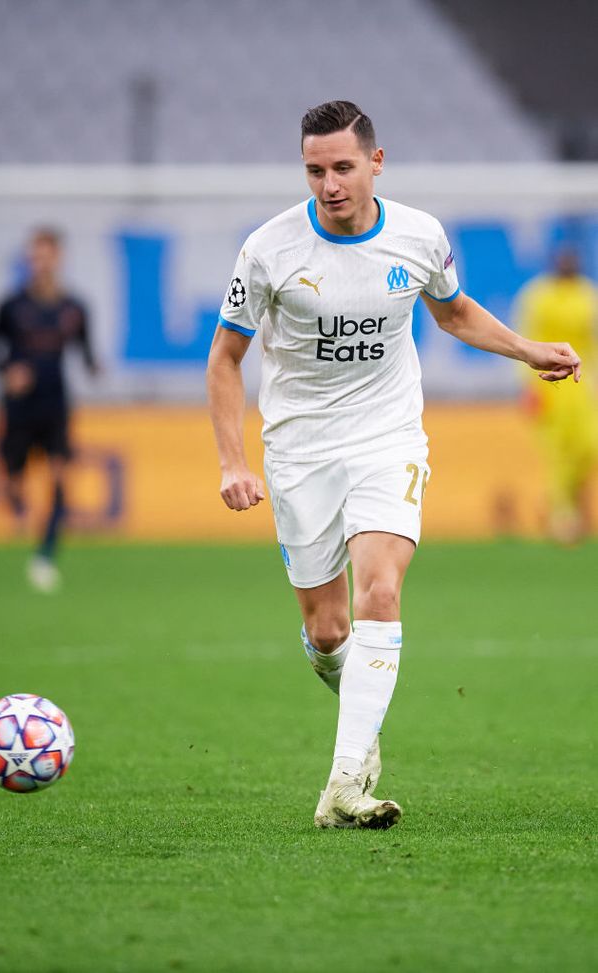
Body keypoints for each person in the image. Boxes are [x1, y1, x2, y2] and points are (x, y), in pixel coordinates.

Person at [206, 101, 581, 830]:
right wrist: (232, 461)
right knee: (326, 628)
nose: (329, 184)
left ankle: (345, 784)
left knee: (381, 588)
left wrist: (530, 350)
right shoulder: (269, 249)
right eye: (315, 170)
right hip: (299, 446)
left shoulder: (418, 236)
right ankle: (361, 720)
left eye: (343, 167)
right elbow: (225, 358)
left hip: (387, 436)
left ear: (376, 163)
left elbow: (454, 311)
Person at [0, 228, 99, 591]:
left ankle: (45, 556)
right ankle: (21, 508)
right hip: (17, 410)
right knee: (12, 488)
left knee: (61, 478)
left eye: (46, 255)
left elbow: (84, 349)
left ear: (58, 258)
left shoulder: (74, 308)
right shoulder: (11, 306)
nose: (40, 262)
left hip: (55, 406)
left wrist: (95, 366)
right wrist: (7, 373)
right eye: (34, 256)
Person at [516, 249, 597, 543]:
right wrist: (528, 388)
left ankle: (566, 504)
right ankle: (562, 515)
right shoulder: (538, 296)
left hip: (582, 389)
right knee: (557, 453)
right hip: (547, 387)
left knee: (588, 447)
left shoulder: (587, 295)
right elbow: (525, 341)